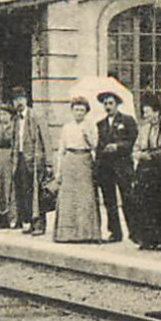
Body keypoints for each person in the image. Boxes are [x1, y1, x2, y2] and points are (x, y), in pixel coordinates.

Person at [53, 96, 103, 242]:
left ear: (86, 112)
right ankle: (66, 234)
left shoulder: (91, 126)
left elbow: (95, 146)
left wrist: (87, 136)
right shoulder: (67, 127)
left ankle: (86, 234)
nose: (79, 113)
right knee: (68, 198)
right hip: (69, 160)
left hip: (84, 161)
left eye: (82, 110)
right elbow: (61, 149)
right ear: (72, 111)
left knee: (84, 197)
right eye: (76, 110)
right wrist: (58, 170)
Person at [94, 89, 138, 242]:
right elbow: (98, 146)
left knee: (128, 199)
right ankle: (115, 232)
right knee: (109, 201)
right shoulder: (100, 124)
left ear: (117, 104)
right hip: (106, 168)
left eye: (111, 103)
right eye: (105, 103)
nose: (108, 106)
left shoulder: (127, 120)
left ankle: (134, 232)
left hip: (122, 167)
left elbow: (133, 141)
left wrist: (118, 146)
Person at [8, 86, 52, 236]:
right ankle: (29, 221)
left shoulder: (36, 116)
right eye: (15, 100)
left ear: (26, 100)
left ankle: (40, 224)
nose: (18, 103)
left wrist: (49, 162)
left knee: (37, 192)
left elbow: (46, 139)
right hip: (19, 158)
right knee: (23, 191)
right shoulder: (15, 119)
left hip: (34, 159)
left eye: (20, 99)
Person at [132, 93, 161, 249]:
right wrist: (140, 155)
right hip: (146, 171)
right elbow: (135, 148)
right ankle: (148, 239)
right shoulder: (144, 129)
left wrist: (155, 155)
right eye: (144, 112)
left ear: (157, 112)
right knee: (145, 204)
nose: (145, 115)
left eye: (148, 112)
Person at [0, 102, 17, 228]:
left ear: (11, 115)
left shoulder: (14, 127)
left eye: (5, 114)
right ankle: (0, 217)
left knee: (9, 187)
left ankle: (12, 217)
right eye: (1, 114)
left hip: (9, 157)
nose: (3, 117)